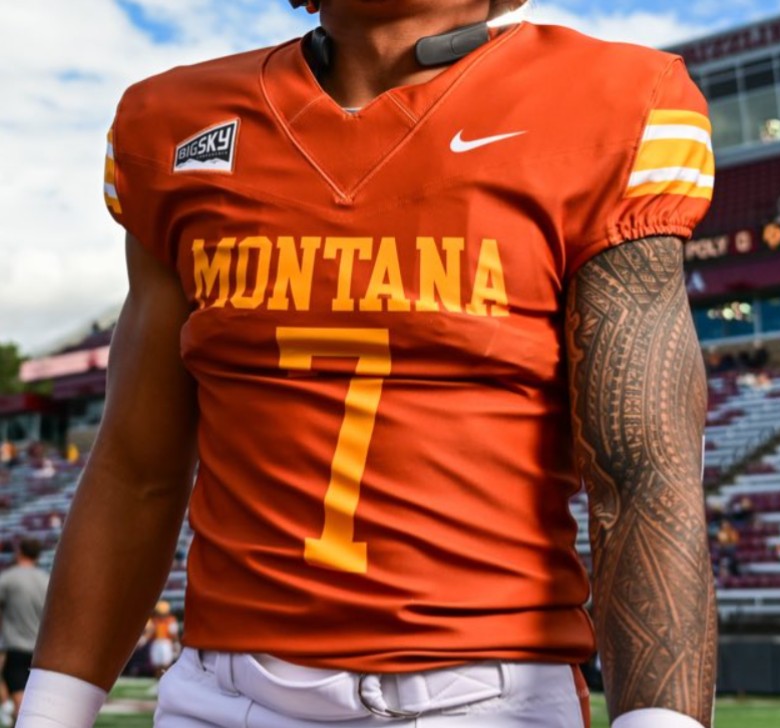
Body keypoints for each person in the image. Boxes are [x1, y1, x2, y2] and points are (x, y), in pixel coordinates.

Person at [21, 1, 716, 727]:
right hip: (220, 695)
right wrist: (50, 713)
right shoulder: (173, 122)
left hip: (484, 699)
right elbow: (137, 467)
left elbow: (642, 476)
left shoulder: (608, 102)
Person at [0, 539, 49, 721]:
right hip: (42, 650)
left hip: (16, 647)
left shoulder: (9, 578)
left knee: (21, 708)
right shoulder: (47, 580)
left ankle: (7, 709)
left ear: (19, 551)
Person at [144, 601, 180, 678]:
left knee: (166, 663)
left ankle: (166, 678)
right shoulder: (154, 621)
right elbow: (150, 632)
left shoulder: (171, 620)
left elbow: (174, 634)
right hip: (156, 643)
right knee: (156, 663)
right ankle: (158, 679)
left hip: (166, 643)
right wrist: (145, 639)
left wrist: (176, 643)